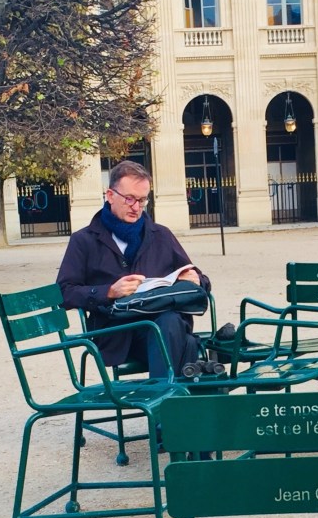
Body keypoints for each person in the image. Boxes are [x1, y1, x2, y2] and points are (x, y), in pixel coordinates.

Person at [56, 160, 211, 379]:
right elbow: (63, 293)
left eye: (142, 200)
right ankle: (173, 394)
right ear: (110, 195)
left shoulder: (161, 235)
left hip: (164, 327)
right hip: (117, 335)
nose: (136, 207)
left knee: (169, 323)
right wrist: (109, 292)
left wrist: (196, 279)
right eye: (129, 199)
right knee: (183, 340)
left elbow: (202, 282)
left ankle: (164, 394)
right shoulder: (84, 240)